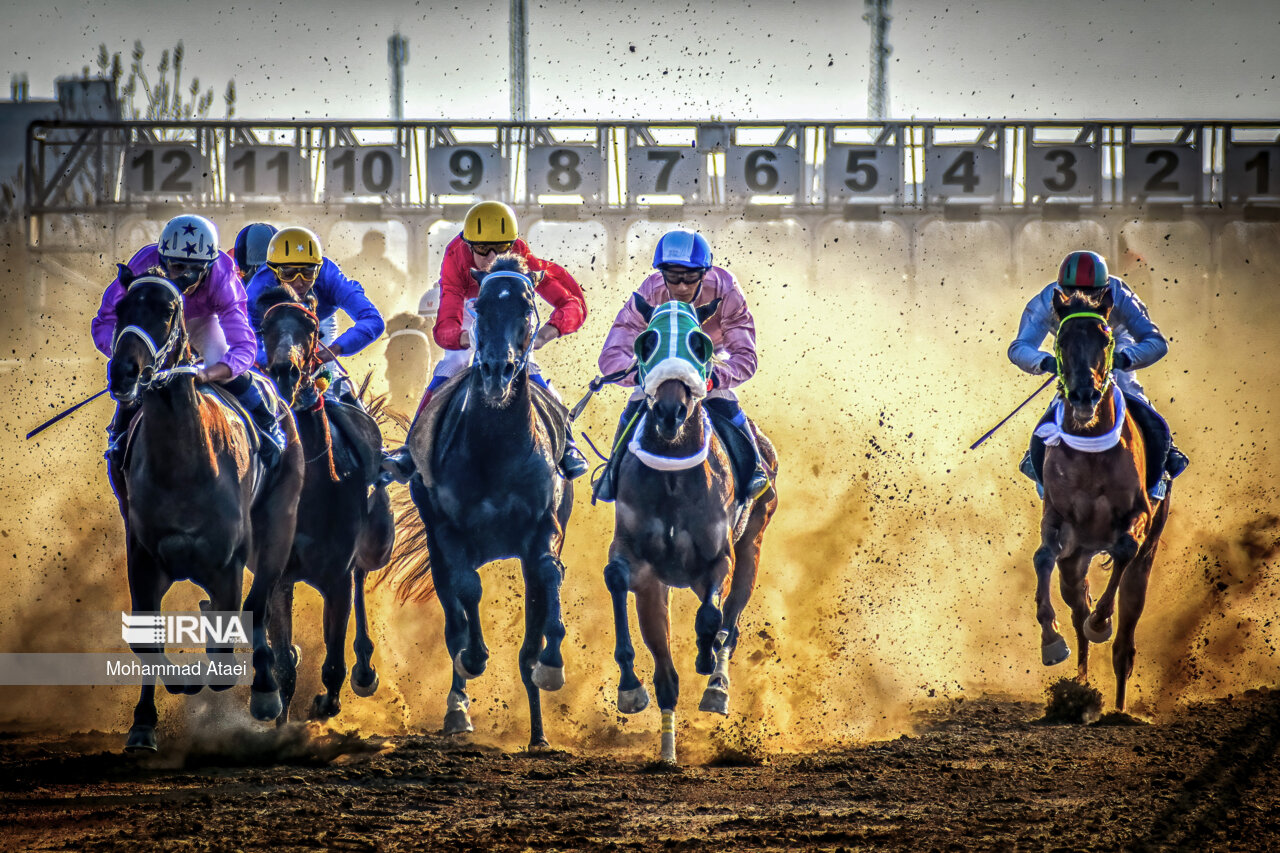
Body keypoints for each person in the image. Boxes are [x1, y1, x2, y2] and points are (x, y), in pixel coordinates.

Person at [92, 214, 286, 476]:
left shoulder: (222, 275)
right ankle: (119, 433)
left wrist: (209, 373)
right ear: (162, 260)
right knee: (135, 373)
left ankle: (266, 424)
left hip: (201, 322)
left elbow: (244, 348)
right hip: (155, 325)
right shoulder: (143, 263)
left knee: (221, 361)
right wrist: (130, 355)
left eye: (192, 270)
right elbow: (105, 321)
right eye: (176, 266)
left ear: (208, 267)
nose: (181, 276)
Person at [413, 200, 589, 479]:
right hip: (472, 309)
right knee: (454, 363)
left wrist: (548, 331)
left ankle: (568, 445)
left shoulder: (522, 256)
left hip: (508, 314)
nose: (493, 257)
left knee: (530, 366)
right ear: (468, 245)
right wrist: (468, 337)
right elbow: (446, 324)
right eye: (483, 249)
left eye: (502, 247)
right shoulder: (455, 256)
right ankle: (411, 450)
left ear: (513, 244)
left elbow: (572, 304)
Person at [593, 229, 771, 503]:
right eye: (673, 277)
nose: (682, 287)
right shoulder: (649, 292)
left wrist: (714, 378)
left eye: (691, 277)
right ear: (661, 273)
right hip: (661, 361)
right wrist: (641, 375)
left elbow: (745, 357)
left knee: (724, 397)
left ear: (705, 273)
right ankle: (612, 470)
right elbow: (612, 354)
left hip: (708, 356)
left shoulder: (727, 289)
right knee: (638, 398)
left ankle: (753, 469)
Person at [1008, 249, 1189, 500]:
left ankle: (1166, 455)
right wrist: (1046, 362)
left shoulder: (1120, 294)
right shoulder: (1047, 299)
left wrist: (1124, 358)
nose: (1080, 298)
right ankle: (1037, 457)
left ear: (1104, 290)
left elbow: (1156, 342)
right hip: (1071, 345)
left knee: (1127, 386)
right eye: (1071, 292)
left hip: (1114, 342)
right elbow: (1020, 347)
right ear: (1061, 289)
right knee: (1064, 396)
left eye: (1091, 294)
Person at [245, 226, 386, 406]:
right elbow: (245, 334)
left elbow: (373, 320)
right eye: (288, 274)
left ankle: (353, 413)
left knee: (329, 387)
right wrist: (266, 360)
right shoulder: (258, 288)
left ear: (318, 270)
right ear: (274, 271)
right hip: (275, 327)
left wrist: (336, 349)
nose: (299, 282)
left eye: (308, 273)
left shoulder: (330, 277)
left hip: (317, 322)